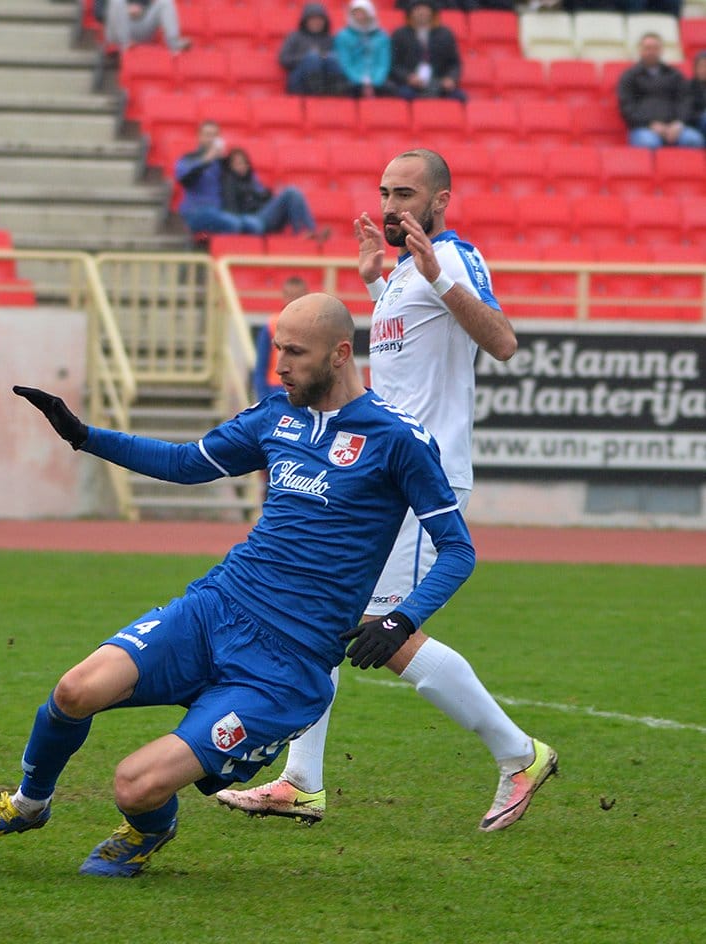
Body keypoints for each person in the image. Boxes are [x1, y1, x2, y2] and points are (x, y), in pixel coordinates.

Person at [0, 296, 476, 877]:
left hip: (286, 667)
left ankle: (150, 828)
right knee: (74, 691)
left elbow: (458, 549)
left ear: (340, 354)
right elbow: (185, 463)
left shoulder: (397, 439)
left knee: (133, 784)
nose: (280, 366)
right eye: (278, 349)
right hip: (216, 610)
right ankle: (27, 804)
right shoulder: (276, 416)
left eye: (295, 352)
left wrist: (402, 618)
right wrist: (85, 436)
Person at [215, 149, 558, 833]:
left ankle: (518, 754)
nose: (392, 205)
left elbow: (502, 342)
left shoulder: (452, 258)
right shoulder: (402, 273)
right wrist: (379, 281)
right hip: (376, 474)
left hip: (420, 477)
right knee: (324, 612)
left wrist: (437, 275)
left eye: (406, 194)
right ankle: (301, 781)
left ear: (440, 201)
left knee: (386, 632)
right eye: (385, 192)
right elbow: (414, 353)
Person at [175, 122, 327, 242]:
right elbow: (184, 178)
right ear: (199, 137)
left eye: (215, 135)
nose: (211, 139)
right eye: (207, 135)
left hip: (234, 214)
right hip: (198, 212)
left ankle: (306, 233)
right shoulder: (190, 159)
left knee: (292, 192)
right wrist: (208, 158)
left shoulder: (225, 164)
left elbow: (250, 183)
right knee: (235, 223)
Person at [616, 33, 706, 150]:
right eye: (648, 48)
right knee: (649, 143)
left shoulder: (674, 75)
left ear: (661, 50)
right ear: (640, 50)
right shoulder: (630, 76)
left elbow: (685, 100)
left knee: (694, 140)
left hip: (675, 127)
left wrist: (679, 123)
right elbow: (627, 107)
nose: (651, 52)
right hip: (644, 128)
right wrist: (650, 124)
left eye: (655, 48)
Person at [389, 0, 465, 102]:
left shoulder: (445, 34)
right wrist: (408, 77)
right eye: (417, 9)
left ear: (432, 12)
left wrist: (451, 78)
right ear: (410, 12)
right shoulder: (399, 34)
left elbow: (454, 63)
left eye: (425, 9)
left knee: (459, 98)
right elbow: (394, 64)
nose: (421, 12)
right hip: (411, 85)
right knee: (403, 96)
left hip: (439, 83)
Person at [252, 275, 309, 403]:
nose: (294, 301)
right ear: (284, 296)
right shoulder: (271, 325)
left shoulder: (314, 326)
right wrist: (263, 398)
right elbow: (261, 367)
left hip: (304, 390)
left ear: (306, 296)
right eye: (291, 296)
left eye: (298, 296)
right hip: (276, 389)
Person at [279, 3, 346, 96]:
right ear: (305, 21)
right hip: (300, 81)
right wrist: (307, 58)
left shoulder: (330, 39)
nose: (316, 22)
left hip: (325, 80)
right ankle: (315, 93)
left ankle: (336, 95)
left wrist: (323, 57)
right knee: (312, 59)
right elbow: (284, 59)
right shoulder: (295, 37)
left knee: (332, 59)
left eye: (319, 19)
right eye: (313, 19)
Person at [334, 0, 393, 98]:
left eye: (363, 13)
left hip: (377, 81)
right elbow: (345, 62)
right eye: (356, 13)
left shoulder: (382, 37)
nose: (360, 17)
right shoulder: (343, 36)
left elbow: (383, 62)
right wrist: (361, 81)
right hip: (352, 80)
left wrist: (375, 81)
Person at [95, 0, 190, 54]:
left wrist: (141, 10)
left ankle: (174, 43)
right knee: (117, 2)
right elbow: (99, 14)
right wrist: (124, 11)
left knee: (165, 2)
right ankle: (125, 45)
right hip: (116, 32)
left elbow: (147, 6)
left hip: (139, 26)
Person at [688, 50, 706, 138]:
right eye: (701, 66)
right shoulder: (688, 86)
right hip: (695, 124)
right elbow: (687, 111)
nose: (704, 70)